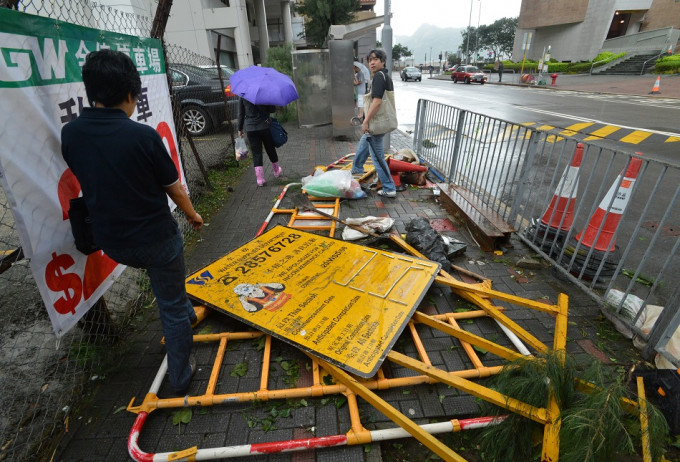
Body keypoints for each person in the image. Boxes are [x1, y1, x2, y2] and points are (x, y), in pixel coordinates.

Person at [61, 49, 203, 396]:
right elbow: (174, 189)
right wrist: (193, 215)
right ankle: (182, 376)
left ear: (91, 92)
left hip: (112, 242)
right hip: (156, 240)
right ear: (130, 94)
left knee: (171, 291)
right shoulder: (142, 136)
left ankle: (186, 317)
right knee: (168, 300)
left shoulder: (72, 135)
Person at [350, 49, 397, 198]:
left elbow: (376, 102)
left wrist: (365, 121)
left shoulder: (379, 76)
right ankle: (356, 168)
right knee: (365, 141)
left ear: (383, 61)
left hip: (377, 123)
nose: (372, 62)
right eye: (370, 60)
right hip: (380, 121)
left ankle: (389, 187)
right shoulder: (384, 76)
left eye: (375, 59)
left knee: (377, 157)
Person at [237, 98, 282, 186]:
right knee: (270, 149)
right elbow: (272, 110)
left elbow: (240, 114)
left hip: (250, 129)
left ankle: (260, 180)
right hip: (264, 127)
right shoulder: (264, 94)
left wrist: (239, 129)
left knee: (256, 153)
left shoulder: (243, 95)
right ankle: (277, 171)